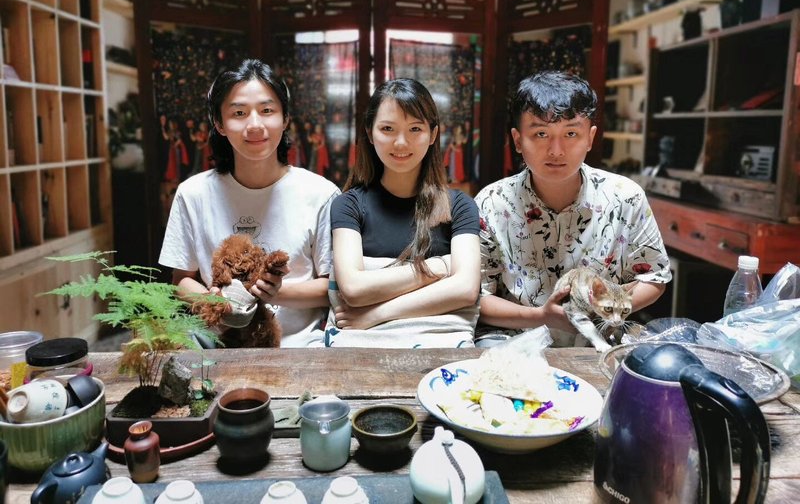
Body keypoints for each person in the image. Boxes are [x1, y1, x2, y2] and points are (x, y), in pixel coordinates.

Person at [474, 71, 671, 347]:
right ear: (517, 140)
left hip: (598, 338)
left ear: (590, 138)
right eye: (541, 133)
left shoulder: (626, 197)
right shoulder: (491, 203)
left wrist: (597, 310)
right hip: (514, 339)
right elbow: (474, 296)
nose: (556, 150)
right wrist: (541, 316)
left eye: (571, 133)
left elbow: (654, 277)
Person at [159, 59, 340, 347]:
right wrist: (211, 299)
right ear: (219, 123)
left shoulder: (320, 194)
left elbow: (332, 287)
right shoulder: (192, 194)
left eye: (267, 111)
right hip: (217, 349)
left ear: (285, 118)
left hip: (299, 349)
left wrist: (275, 293)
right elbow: (181, 278)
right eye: (239, 113)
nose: (255, 125)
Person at [325, 78, 481, 348]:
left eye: (415, 129)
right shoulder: (348, 204)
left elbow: (466, 289)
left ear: (433, 135)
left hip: (441, 350)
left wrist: (375, 314)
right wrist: (440, 266)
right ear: (370, 133)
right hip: (362, 353)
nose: (400, 142)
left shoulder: (459, 206)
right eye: (387, 129)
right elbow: (353, 289)